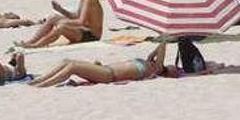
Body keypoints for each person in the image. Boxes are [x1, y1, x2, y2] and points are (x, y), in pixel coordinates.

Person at [29, 42, 169, 87]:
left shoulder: (155, 70)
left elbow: (162, 50)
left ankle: (43, 85)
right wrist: (162, 36)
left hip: (109, 75)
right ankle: (41, 79)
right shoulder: (149, 62)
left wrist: (164, 38)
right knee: (67, 61)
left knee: (72, 67)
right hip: (104, 69)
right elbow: (157, 51)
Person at [16, 0, 103, 48]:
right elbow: (76, 16)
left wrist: (64, 22)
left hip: (91, 36)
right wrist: (60, 10)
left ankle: (36, 45)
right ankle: (31, 41)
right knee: (53, 18)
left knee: (62, 27)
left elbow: (81, 22)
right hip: (83, 31)